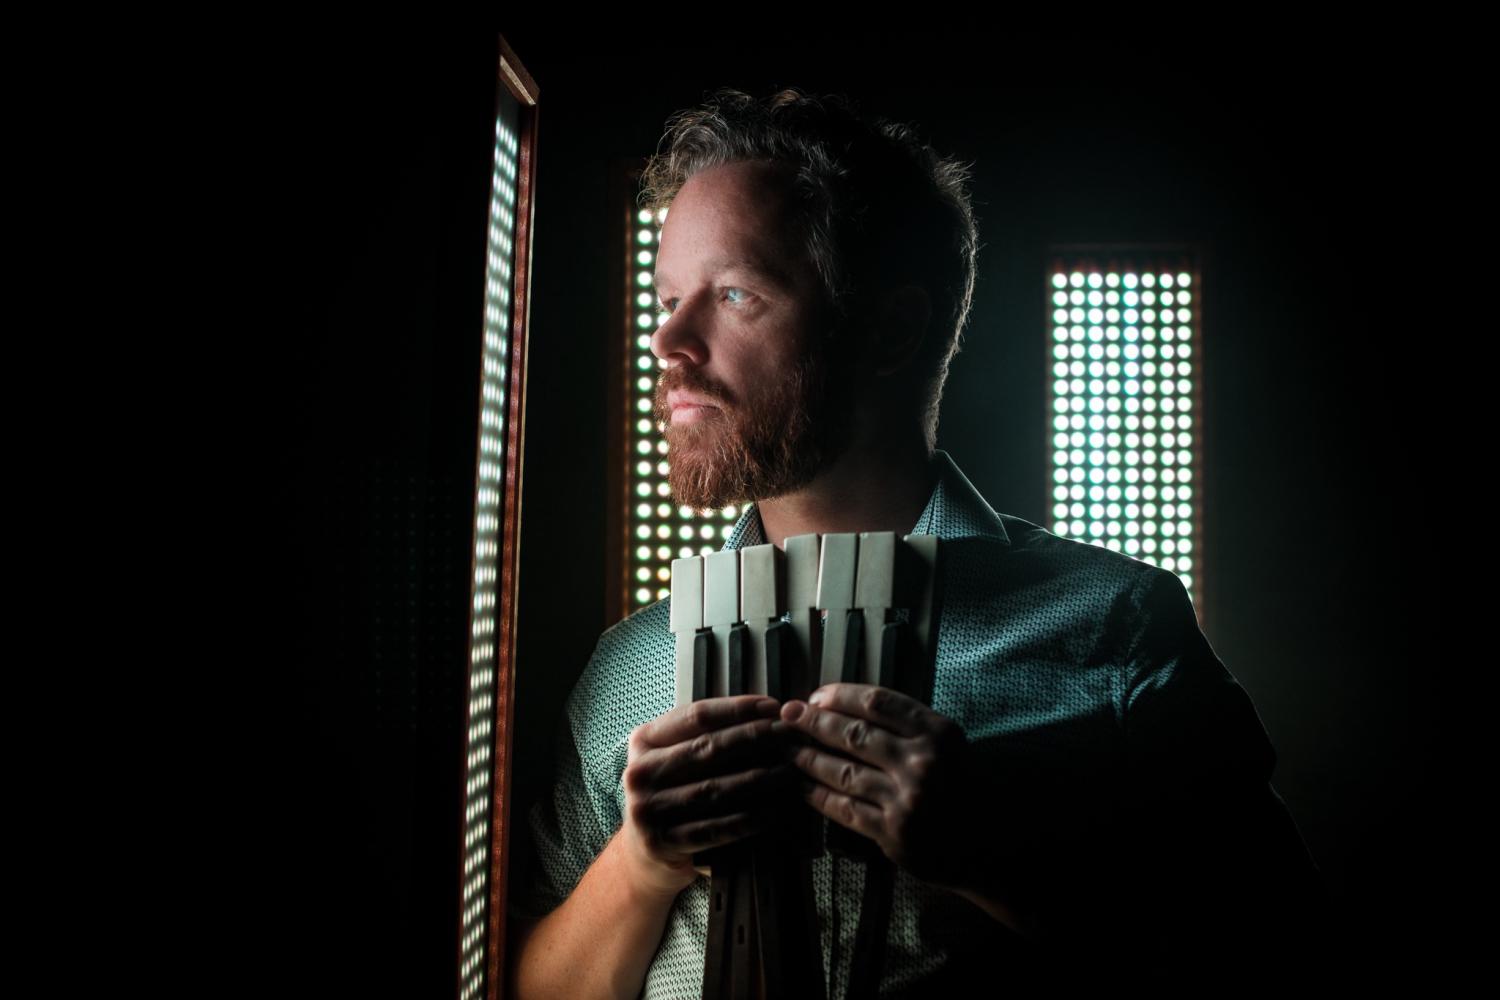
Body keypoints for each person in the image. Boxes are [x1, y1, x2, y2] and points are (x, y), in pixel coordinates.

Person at [508, 88, 1325, 999]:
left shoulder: (1116, 632)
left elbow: (1283, 958)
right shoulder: (628, 668)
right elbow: (529, 986)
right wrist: (640, 867)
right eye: (667, 298)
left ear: (892, 328)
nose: (667, 340)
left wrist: (997, 859)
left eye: (734, 294)